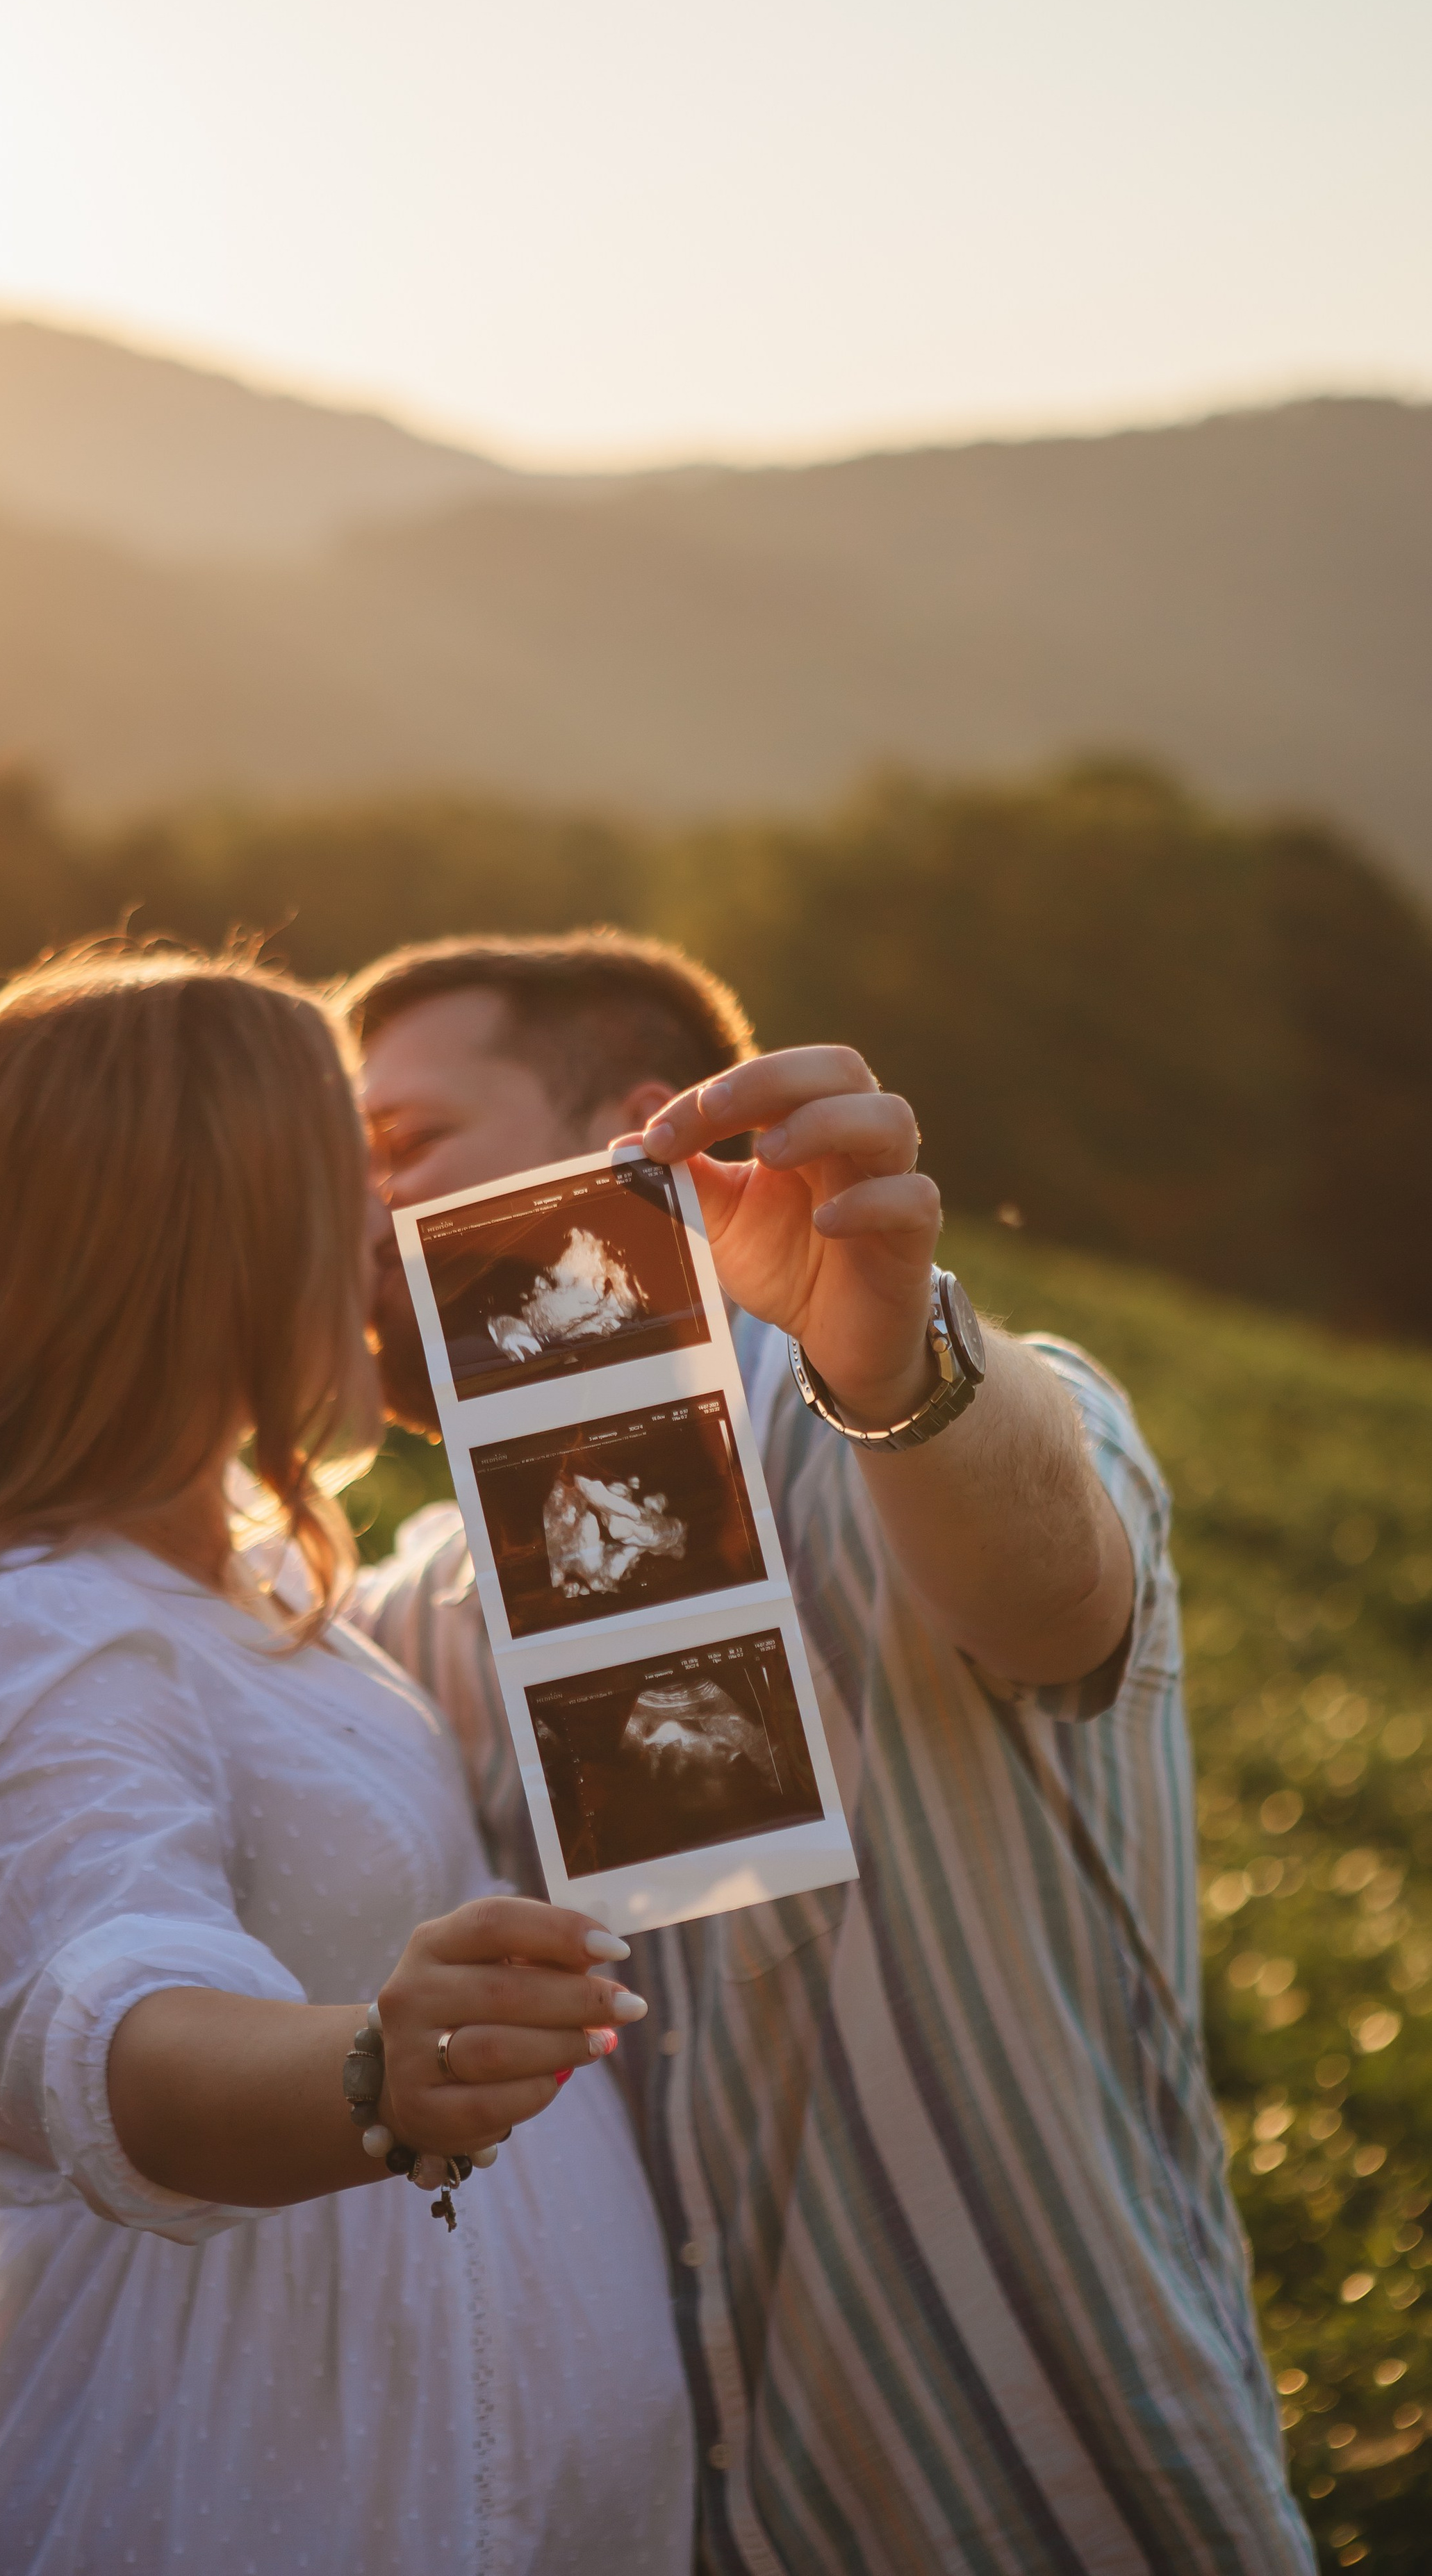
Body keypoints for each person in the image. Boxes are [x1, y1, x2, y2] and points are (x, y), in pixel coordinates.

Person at [345, 932, 1313, 2576]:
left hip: (1062, 2513)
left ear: (641, 1133)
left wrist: (888, 1367)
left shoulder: (901, 1419)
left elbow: (1051, 1586)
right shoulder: (436, 1598)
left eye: (397, 1150)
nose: (344, 1219)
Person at [0, 942, 693, 2576]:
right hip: (232, 2470)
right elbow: (118, 2017)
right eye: (348, 1178)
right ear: (206, 1236)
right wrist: (371, 2073)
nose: (382, 1233)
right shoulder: (32, 1626)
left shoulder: (264, 1574)